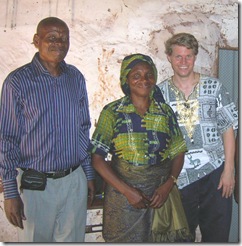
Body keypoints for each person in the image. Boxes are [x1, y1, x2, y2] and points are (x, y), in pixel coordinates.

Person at [0, 17, 95, 242]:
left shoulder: (75, 78)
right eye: (52, 37)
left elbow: (83, 129)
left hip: (73, 181)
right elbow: (7, 138)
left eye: (64, 38)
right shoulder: (17, 82)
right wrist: (11, 192)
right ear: (36, 40)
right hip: (35, 186)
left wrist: (88, 175)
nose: (59, 43)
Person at [89, 53, 192, 243]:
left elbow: (178, 151)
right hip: (122, 199)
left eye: (148, 74)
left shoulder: (164, 112)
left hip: (160, 196)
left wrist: (168, 185)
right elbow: (97, 159)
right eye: (136, 75)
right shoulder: (112, 112)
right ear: (126, 80)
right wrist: (128, 191)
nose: (144, 80)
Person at [158, 33, 238, 242]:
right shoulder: (160, 93)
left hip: (216, 174)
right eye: (178, 56)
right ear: (169, 57)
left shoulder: (215, 87)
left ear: (195, 57)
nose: (183, 62)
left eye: (189, 56)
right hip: (179, 177)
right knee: (181, 237)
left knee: (217, 236)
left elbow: (228, 128)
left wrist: (229, 170)